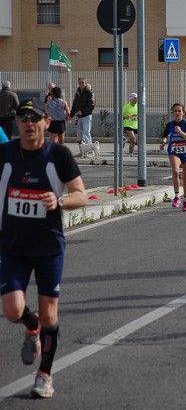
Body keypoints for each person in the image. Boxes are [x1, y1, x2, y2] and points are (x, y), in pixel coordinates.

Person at [0, 98, 87, 398]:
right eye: (22, 118)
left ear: (46, 123)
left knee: (51, 315)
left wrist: (59, 201)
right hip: (12, 246)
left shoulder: (58, 155)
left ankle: (45, 374)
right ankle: (30, 325)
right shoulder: (5, 154)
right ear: (17, 124)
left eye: (34, 118)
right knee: (12, 311)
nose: (27, 123)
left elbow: (81, 195)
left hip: (48, 246)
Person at [159, 103, 186, 212]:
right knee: (175, 171)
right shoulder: (170, 125)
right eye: (175, 111)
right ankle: (177, 196)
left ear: (183, 112)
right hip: (174, 152)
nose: (177, 113)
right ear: (172, 113)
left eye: (179, 111)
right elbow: (165, 135)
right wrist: (163, 142)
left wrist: (180, 132)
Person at [70, 77, 95, 144]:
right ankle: (82, 151)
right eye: (80, 82)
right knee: (80, 134)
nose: (81, 84)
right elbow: (74, 104)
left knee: (86, 132)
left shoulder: (89, 92)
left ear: (86, 83)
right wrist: (71, 115)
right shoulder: (77, 92)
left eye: (83, 82)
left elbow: (92, 105)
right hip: (79, 116)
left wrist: (82, 111)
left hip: (86, 115)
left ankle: (89, 150)